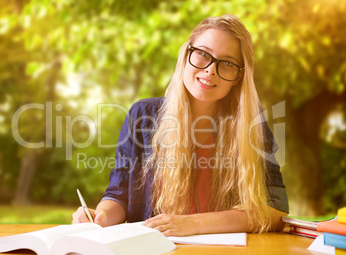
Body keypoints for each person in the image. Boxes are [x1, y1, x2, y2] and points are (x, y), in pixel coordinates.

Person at [72, 14, 289, 236]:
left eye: (226, 63)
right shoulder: (143, 116)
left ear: (239, 77)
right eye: (203, 54)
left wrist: (193, 224)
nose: (210, 70)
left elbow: (276, 211)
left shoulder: (250, 123)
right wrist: (102, 217)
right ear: (186, 55)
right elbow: (119, 196)